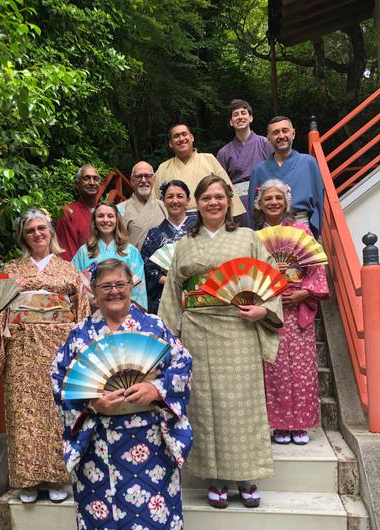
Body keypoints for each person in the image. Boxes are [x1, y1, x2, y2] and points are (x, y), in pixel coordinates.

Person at [51, 258, 193, 530]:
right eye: (105, 286)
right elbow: (60, 380)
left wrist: (157, 389)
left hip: (148, 442)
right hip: (98, 445)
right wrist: (93, 403)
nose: (114, 292)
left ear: (132, 285)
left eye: (120, 284)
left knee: (152, 521)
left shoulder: (154, 327)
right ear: (93, 293)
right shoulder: (80, 334)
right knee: (99, 521)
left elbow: (182, 367)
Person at [159, 175, 283, 509]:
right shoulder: (185, 243)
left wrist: (262, 310)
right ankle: (215, 477)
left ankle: (247, 476)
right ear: (195, 204)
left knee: (243, 404)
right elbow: (173, 291)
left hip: (238, 328)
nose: (212, 203)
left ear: (229, 200)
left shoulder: (248, 237)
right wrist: (170, 337)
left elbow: (271, 281)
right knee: (205, 405)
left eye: (218, 197)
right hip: (198, 329)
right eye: (205, 198)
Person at [0, 209, 90, 503]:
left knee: (57, 410)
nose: (38, 234)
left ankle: (57, 477)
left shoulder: (68, 269)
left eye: (42, 228)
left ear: (51, 232)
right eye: (31, 230)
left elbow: (82, 311)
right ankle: (26, 481)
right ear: (23, 236)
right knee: (23, 409)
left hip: (59, 344)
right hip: (22, 346)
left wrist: (80, 345)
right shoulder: (11, 269)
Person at [253, 179, 329, 445]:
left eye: (278, 198)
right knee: (273, 368)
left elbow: (316, 268)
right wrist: (265, 296)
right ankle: (280, 425)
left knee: (301, 369)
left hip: (297, 309)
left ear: (286, 201)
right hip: (270, 311)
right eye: (267, 198)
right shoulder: (253, 238)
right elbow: (248, 274)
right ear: (259, 203)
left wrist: (304, 293)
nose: (273, 202)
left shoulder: (301, 232)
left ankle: (301, 424)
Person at [248, 116, 324, 237]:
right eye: (275, 132)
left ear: (293, 133)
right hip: (269, 233)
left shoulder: (308, 163)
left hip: (302, 229)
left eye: (285, 130)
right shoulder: (258, 170)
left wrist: (315, 233)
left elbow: (319, 202)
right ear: (268, 138)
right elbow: (253, 210)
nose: (281, 136)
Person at [154, 123, 246, 218]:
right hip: (175, 221)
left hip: (210, 218)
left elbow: (227, 190)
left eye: (184, 134)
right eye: (176, 136)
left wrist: (231, 218)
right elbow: (155, 202)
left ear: (192, 138)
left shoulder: (209, 159)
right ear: (170, 143)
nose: (181, 139)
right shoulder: (163, 168)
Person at [72, 202, 148, 309]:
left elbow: (138, 288)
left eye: (110, 216)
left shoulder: (131, 251)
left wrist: (118, 301)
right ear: (94, 221)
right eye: (100, 216)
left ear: (117, 220)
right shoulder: (84, 251)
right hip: (93, 310)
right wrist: (93, 300)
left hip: (124, 311)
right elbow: (75, 282)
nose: (105, 220)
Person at [141, 180, 197, 313]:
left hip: (196, 290)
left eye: (180, 196)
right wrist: (170, 281)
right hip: (166, 293)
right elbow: (147, 266)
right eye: (170, 197)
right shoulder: (154, 233)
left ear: (188, 200)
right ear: (164, 201)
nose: (175, 201)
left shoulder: (199, 228)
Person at [216, 99, 272, 221]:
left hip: (265, 200)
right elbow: (219, 186)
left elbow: (277, 173)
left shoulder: (266, 144)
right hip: (237, 204)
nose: (240, 117)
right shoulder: (223, 153)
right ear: (231, 122)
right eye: (235, 114)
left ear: (250, 118)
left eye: (243, 113)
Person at [117, 161, 167, 250]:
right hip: (132, 262)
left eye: (148, 176)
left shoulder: (164, 207)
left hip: (161, 262)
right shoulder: (120, 209)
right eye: (139, 176)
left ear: (154, 179)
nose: (143, 180)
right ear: (132, 181)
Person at [56, 164, 100, 260]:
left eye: (95, 178)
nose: (92, 182)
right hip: (81, 271)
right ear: (78, 184)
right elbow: (68, 255)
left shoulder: (106, 213)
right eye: (86, 178)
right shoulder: (67, 212)